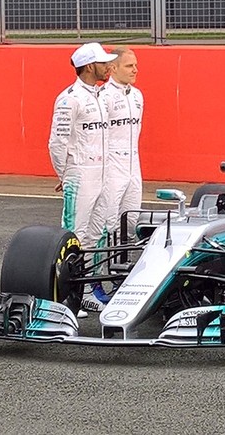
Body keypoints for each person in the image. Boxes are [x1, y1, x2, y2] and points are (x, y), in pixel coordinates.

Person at [48, 42, 117, 315]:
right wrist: (64, 174)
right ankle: (64, 295)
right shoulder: (69, 99)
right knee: (73, 234)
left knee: (97, 233)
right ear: (89, 66)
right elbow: (57, 141)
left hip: (102, 174)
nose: (109, 66)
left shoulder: (100, 96)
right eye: (103, 62)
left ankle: (87, 290)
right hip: (80, 174)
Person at [98, 46, 144, 248]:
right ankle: (102, 267)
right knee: (109, 221)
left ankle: (122, 273)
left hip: (134, 165)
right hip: (112, 167)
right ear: (113, 68)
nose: (135, 70)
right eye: (129, 66)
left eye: (136, 65)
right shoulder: (103, 96)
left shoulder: (138, 95)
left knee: (132, 220)